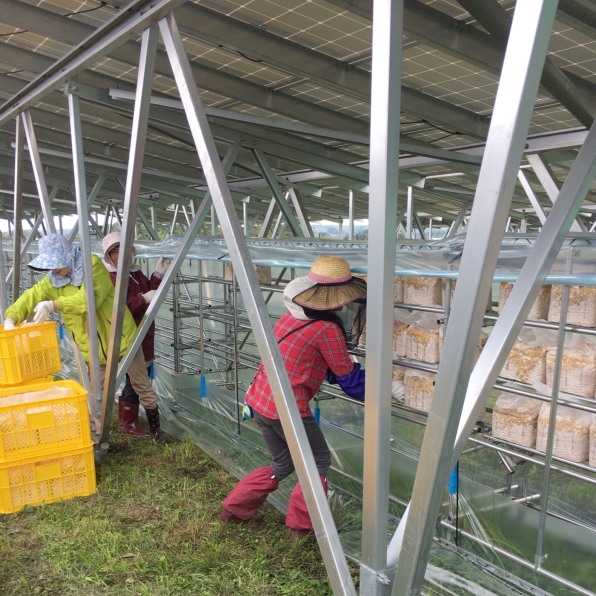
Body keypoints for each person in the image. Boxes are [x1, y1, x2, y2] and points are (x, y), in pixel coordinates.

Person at [220, 255, 370, 538]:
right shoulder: (326, 328)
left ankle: (232, 510)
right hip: (287, 409)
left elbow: (311, 360)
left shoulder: (292, 315)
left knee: (283, 464)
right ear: (338, 300)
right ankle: (301, 528)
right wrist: (382, 394)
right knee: (318, 463)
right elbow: (348, 378)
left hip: (260, 401)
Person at [4, 233, 167, 449]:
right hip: (92, 347)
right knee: (94, 397)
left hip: (122, 338)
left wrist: (54, 304)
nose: (54, 270)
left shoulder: (92, 267)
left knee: (141, 384)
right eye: (50, 266)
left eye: (57, 264)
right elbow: (31, 296)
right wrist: (11, 317)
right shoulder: (54, 280)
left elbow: (88, 301)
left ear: (68, 256)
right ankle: (97, 442)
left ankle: (156, 431)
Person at [102, 231, 170, 438]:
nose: (120, 255)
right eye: (114, 252)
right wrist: (143, 298)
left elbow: (150, 292)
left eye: (123, 250)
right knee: (137, 378)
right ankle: (130, 423)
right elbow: (121, 307)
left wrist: (158, 275)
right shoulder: (110, 278)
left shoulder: (134, 272)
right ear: (108, 256)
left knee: (136, 377)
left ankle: (127, 420)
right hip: (127, 335)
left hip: (144, 329)